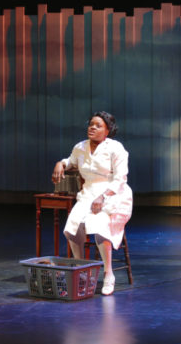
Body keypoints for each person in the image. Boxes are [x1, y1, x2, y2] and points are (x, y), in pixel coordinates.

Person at [52, 111, 133, 296]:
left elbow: (120, 178)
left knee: (99, 225)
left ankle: (108, 273)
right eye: (91, 124)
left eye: (98, 125)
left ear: (107, 131)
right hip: (88, 194)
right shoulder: (80, 147)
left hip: (113, 194)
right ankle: (81, 271)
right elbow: (70, 162)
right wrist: (60, 163)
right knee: (72, 226)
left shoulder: (116, 148)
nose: (92, 127)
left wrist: (103, 196)